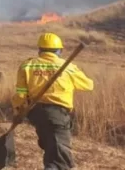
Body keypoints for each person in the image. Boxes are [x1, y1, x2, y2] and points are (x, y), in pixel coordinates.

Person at [11, 32, 94, 170]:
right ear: (59, 50)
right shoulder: (67, 67)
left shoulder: (27, 66)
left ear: (40, 50)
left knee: (51, 150)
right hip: (58, 116)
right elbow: (88, 85)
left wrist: (18, 111)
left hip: (36, 114)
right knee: (60, 161)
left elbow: (20, 95)